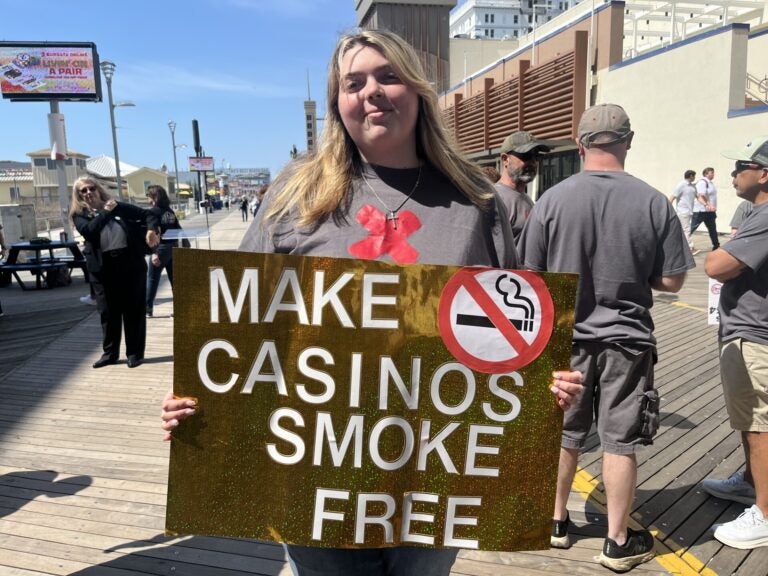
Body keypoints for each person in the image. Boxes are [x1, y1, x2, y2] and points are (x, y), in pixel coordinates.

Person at [161, 29, 584, 576]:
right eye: (353, 82)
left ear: (417, 91)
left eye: (388, 76)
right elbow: (242, 324)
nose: (371, 92)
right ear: (338, 102)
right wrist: (201, 402)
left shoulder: (475, 200)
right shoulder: (295, 191)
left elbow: (513, 330)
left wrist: (543, 381)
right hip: (314, 458)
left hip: (435, 464)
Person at [518, 103, 695, 572]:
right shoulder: (654, 202)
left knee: (565, 432)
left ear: (579, 145)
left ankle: (556, 522)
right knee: (619, 441)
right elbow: (674, 281)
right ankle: (617, 540)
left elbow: (529, 278)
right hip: (628, 339)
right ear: (628, 142)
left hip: (565, 340)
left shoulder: (551, 201)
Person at [702, 136, 768, 549]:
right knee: (750, 421)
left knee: (758, 425)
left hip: (754, 336)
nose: (733, 173)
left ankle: (764, 512)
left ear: (764, 173)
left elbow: (716, 265)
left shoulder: (764, 216)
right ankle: (749, 483)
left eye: (741, 165)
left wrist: (726, 247)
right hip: (751, 331)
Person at [69, 177, 158, 369]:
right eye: (82, 191)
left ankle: (134, 353)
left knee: (133, 310)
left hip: (130, 263)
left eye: (91, 188)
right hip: (103, 268)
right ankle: (110, 353)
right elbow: (91, 232)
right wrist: (106, 212)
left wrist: (151, 230)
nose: (88, 193)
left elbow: (149, 215)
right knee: (108, 313)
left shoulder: (116, 206)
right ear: (78, 196)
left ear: (98, 189)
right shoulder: (80, 215)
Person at [494, 131, 561, 243]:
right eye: (525, 156)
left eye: (535, 157)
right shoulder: (496, 199)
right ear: (505, 159)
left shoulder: (526, 199)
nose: (532, 162)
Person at [145, 185, 182, 317]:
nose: (147, 198)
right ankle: (179, 308)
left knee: (152, 279)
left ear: (154, 197)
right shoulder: (170, 211)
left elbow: (152, 234)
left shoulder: (153, 212)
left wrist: (154, 253)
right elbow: (178, 228)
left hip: (160, 249)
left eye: (148, 195)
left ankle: (148, 309)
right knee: (175, 280)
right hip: (173, 248)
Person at [669, 169, 699, 255]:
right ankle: (690, 248)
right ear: (690, 176)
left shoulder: (692, 186)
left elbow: (698, 196)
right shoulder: (681, 185)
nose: (694, 178)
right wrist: (668, 207)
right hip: (683, 211)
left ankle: (677, 247)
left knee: (682, 230)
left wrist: (706, 204)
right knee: (687, 230)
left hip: (689, 212)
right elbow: (673, 196)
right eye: (694, 176)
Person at [691, 167, 720, 250]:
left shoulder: (710, 183)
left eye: (713, 172)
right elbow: (701, 195)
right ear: (706, 174)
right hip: (701, 211)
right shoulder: (702, 182)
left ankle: (716, 246)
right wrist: (708, 205)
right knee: (692, 228)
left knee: (712, 229)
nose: (713, 174)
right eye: (711, 172)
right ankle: (680, 242)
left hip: (710, 212)